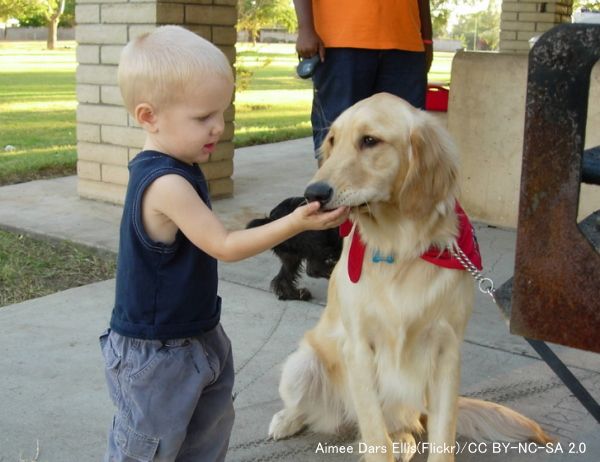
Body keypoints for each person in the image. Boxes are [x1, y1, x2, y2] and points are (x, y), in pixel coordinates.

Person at [99, 25, 348, 462]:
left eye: (222, 113)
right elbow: (225, 245)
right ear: (148, 116)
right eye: (202, 118)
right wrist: (294, 222)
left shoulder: (182, 164)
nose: (218, 127)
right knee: (150, 450)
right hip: (156, 352)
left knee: (205, 440)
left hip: (197, 334)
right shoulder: (166, 182)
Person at [293, 0, 433, 161]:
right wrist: (305, 29)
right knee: (337, 140)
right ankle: (334, 186)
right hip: (340, 41)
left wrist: (427, 38)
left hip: (406, 42)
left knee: (406, 142)